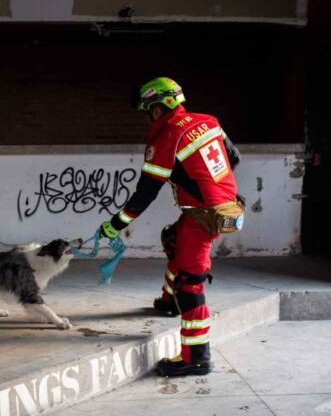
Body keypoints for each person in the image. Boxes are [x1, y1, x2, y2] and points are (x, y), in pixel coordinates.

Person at [98, 77, 243, 376]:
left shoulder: (167, 136)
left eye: (149, 110)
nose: (148, 117)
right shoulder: (208, 120)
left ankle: (196, 358)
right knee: (173, 239)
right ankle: (168, 302)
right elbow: (233, 158)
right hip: (222, 205)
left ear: (160, 105)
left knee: (190, 283)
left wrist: (115, 224)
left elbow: (145, 193)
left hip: (204, 215)